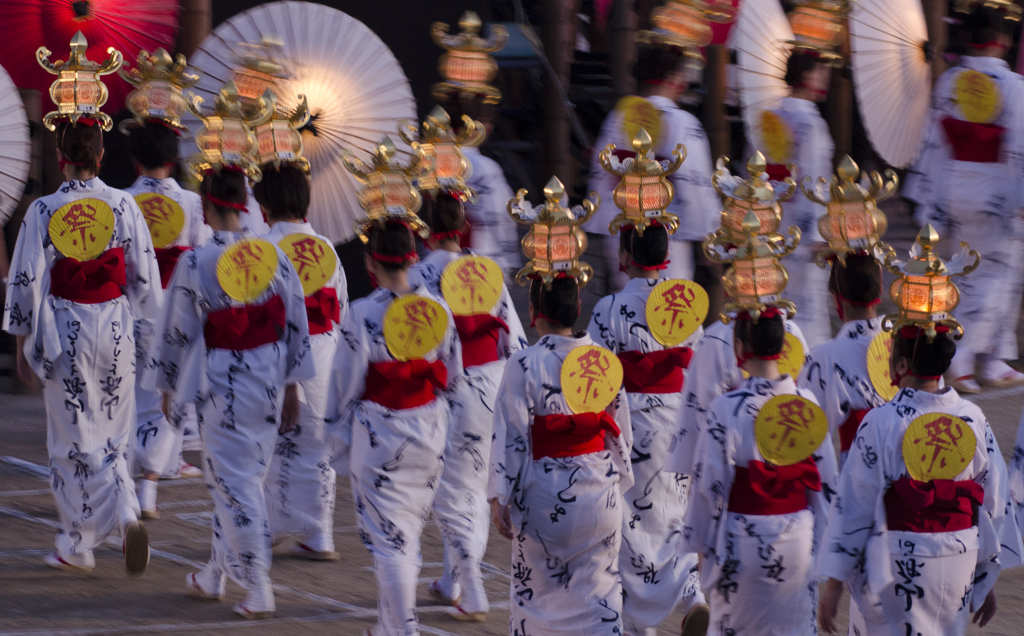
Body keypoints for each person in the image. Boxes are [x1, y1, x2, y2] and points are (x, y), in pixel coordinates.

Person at [152, 88, 314, 617]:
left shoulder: (196, 262)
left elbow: (175, 331)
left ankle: (259, 585)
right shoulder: (274, 257)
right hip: (268, 380)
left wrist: (167, 385)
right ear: (246, 201)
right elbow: (297, 323)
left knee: (235, 483)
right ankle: (215, 574)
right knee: (240, 477)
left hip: (223, 382)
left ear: (205, 203)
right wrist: (293, 385)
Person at [2, 36, 160, 575]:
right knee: (115, 430)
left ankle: (77, 542)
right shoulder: (124, 206)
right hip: (114, 324)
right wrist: (144, 329)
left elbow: (24, 281)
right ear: (100, 153)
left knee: (71, 436)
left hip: (65, 325)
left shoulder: (43, 210)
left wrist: (22, 344)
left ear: (61, 154)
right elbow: (144, 279)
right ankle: (129, 508)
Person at [817, 227, 1022, 636]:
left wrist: (834, 585)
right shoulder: (974, 418)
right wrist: (986, 573)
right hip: (959, 558)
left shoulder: (881, 421)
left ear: (899, 365)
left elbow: (855, 505)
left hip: (896, 560)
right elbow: (995, 502)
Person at [681, 214, 838, 636]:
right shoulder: (806, 404)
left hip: (742, 540)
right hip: (798, 541)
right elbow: (825, 486)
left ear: (738, 344)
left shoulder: (725, 410)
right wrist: (827, 552)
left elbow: (708, 486)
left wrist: (700, 548)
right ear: (785, 346)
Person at [490, 182, 634, 636]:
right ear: (578, 306)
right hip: (600, 491)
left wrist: (501, 496)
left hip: (547, 492)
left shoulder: (524, 363)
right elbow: (621, 436)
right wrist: (617, 482)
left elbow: (511, 435)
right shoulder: (601, 361)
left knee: (537, 596)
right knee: (601, 592)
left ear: (534, 308)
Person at [327, 203, 460, 634]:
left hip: (382, 430)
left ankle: (403, 627)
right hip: (430, 427)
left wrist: (330, 434)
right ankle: (389, 624)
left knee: (390, 538)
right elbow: (453, 375)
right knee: (407, 530)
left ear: (370, 261)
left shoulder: (364, 313)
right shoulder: (440, 308)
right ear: (413, 258)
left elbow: (344, 384)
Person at [587, 221, 709, 636]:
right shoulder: (688, 305)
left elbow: (597, 376)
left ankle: (641, 626)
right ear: (666, 257)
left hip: (629, 422)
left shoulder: (606, 309)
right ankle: (694, 593)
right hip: (676, 419)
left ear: (623, 258)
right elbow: (698, 366)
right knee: (676, 517)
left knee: (630, 526)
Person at [409, 192, 527, 620]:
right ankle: (452, 579)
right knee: (472, 483)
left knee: (451, 489)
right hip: (494, 383)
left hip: (450, 387)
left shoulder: (417, 273)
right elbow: (515, 339)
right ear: (463, 227)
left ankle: (472, 588)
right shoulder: (488, 271)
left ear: (424, 227)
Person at [903, 0, 1024, 393]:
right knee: (995, 275)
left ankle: (994, 357)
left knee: (963, 271)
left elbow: (933, 141)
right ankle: (966, 356)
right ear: (1004, 40)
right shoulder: (1014, 87)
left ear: (968, 38)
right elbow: (1020, 149)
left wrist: (925, 197)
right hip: (996, 192)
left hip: (951, 186)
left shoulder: (950, 81)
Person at [256, 162, 348, 561]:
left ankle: (268, 527)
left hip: (278, 356)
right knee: (318, 447)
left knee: (267, 446)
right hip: (325, 356)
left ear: (265, 204)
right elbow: (341, 308)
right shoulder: (327, 249)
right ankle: (319, 534)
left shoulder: (263, 249)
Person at [124, 118, 209, 518]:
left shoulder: (121, 200)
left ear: (135, 160)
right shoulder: (192, 203)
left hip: (131, 308)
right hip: (175, 311)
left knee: (128, 398)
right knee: (166, 399)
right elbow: (197, 254)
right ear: (174, 162)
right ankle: (150, 490)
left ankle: (124, 485)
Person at [587, 42, 720, 293]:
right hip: (667, 231)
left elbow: (602, 175)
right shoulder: (682, 121)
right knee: (666, 308)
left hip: (624, 226)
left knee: (624, 302)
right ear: (673, 77)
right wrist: (707, 237)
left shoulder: (619, 115)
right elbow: (694, 185)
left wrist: (607, 225)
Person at [753, 49, 836, 347]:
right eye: (822, 71)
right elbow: (813, 182)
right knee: (806, 302)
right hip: (801, 224)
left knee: (774, 294)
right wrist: (817, 232)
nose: (826, 78)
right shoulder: (810, 123)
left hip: (770, 218)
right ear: (808, 76)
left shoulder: (770, 116)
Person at [798, 254, 889, 469]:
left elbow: (807, 436)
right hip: (915, 476)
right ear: (881, 288)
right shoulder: (906, 337)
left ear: (836, 297)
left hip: (860, 474)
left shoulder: (824, 356)